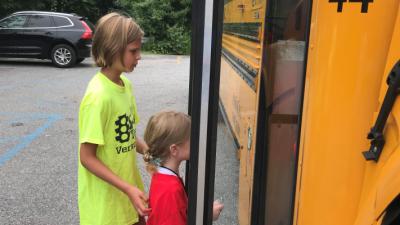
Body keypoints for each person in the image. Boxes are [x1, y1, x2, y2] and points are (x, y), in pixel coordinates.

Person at [78, 12, 150, 225]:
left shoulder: (125, 86)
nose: (139, 56)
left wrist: (149, 152)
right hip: (106, 208)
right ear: (111, 48)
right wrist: (127, 188)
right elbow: (87, 157)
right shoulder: (97, 97)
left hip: (128, 194)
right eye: (133, 51)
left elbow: (127, 136)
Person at [143, 111, 224, 225]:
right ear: (174, 150)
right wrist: (206, 217)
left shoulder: (160, 174)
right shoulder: (171, 189)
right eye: (191, 139)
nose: (196, 142)